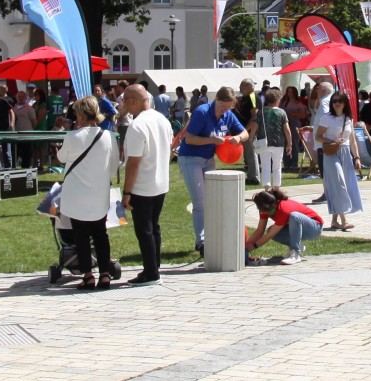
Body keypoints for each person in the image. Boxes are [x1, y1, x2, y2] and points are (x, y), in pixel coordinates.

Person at [56, 96, 119, 289]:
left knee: (81, 236)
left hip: (76, 193)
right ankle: (105, 274)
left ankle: (88, 275)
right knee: (101, 234)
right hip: (99, 192)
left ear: (81, 114)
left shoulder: (72, 136)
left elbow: (61, 158)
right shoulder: (107, 136)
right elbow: (114, 164)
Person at [178, 86, 248, 248]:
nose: (225, 110)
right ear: (216, 99)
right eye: (223, 106)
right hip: (190, 158)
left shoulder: (228, 115)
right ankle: (201, 241)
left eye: (229, 107)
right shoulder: (202, 112)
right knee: (200, 201)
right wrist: (212, 140)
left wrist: (238, 137)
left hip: (208, 159)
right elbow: (189, 139)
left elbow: (244, 132)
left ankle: (211, 235)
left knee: (212, 199)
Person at [118, 83, 172, 284]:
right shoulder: (162, 120)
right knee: (153, 227)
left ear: (133, 101)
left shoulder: (137, 125)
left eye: (125, 101)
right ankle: (154, 266)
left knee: (144, 230)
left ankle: (151, 272)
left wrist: (126, 192)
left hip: (143, 185)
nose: (123, 105)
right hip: (160, 182)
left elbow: (133, 163)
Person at [316, 90, 362, 230]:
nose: (337, 104)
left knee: (344, 185)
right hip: (331, 153)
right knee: (339, 183)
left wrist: (357, 157)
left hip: (346, 153)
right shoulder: (326, 117)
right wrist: (333, 140)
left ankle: (334, 220)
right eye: (334, 101)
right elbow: (318, 136)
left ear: (344, 103)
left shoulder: (349, 118)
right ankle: (344, 220)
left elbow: (352, 140)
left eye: (340, 101)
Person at [246, 188, 321, 266]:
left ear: (273, 204)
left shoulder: (283, 209)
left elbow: (269, 236)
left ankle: (295, 252)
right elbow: (260, 230)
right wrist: (245, 247)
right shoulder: (264, 208)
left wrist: (251, 247)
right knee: (271, 230)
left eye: (264, 210)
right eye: (260, 209)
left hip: (315, 227)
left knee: (294, 216)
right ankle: (298, 245)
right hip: (298, 228)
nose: (262, 212)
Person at [255, 89, 288, 192]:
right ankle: (277, 188)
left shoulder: (261, 111)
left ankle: (266, 188)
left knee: (265, 166)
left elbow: (256, 125)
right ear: (278, 99)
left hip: (264, 142)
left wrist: (252, 137)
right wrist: (289, 143)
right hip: (278, 143)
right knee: (277, 166)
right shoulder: (281, 112)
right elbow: (286, 129)